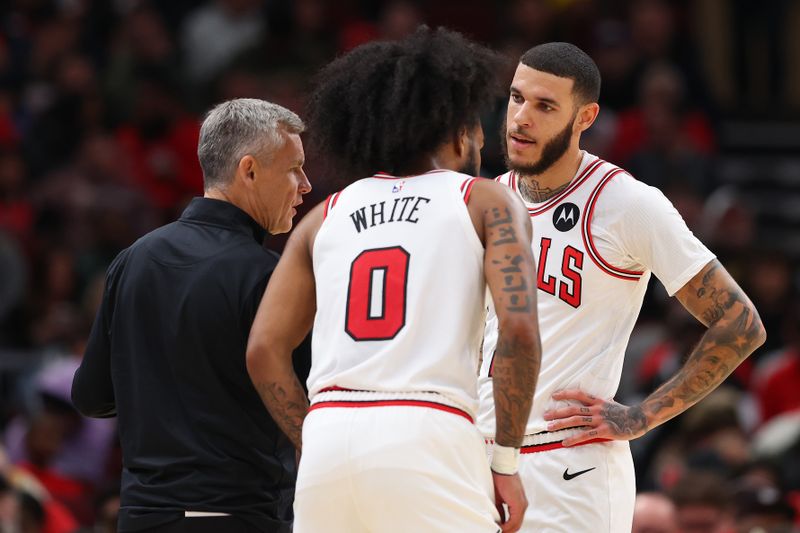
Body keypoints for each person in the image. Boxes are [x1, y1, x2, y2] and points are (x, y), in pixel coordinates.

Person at [246, 27, 542, 533]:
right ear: (454, 128)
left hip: (329, 439)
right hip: (427, 430)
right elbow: (517, 333)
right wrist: (506, 462)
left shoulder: (322, 217)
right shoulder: (486, 199)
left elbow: (263, 350)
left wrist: (309, 436)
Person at [477, 42, 766, 532]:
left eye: (545, 106)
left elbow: (741, 324)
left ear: (585, 116)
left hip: (568, 467)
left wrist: (642, 416)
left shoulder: (627, 203)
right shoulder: (488, 200)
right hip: (480, 461)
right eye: (517, 98)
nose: (521, 118)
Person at [71, 98, 312, 533]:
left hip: (141, 517)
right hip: (234, 515)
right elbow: (306, 403)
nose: (306, 185)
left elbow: (91, 396)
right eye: (294, 168)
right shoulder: (268, 276)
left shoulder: (132, 259)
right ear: (250, 170)